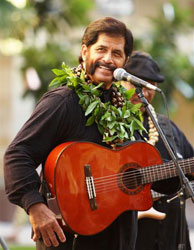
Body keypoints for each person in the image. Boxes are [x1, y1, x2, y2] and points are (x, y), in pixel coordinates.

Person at [3, 17, 141, 250]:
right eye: (101, 49)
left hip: (116, 237)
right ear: (85, 51)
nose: (108, 59)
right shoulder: (63, 101)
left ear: (125, 61)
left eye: (117, 53)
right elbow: (18, 154)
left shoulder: (122, 109)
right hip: (70, 238)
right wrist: (35, 206)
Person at [121, 51, 194, 250]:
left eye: (151, 85)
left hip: (172, 230)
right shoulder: (108, 123)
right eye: (138, 84)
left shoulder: (165, 126)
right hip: (132, 232)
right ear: (121, 83)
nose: (144, 92)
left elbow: (190, 161)